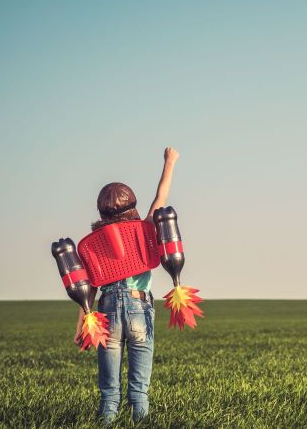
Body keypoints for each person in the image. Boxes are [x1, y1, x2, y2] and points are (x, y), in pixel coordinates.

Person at [73, 147, 180, 425]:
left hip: (106, 310)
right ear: (131, 206)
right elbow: (161, 197)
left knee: (109, 391)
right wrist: (170, 162)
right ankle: (141, 422)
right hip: (139, 307)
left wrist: (83, 322)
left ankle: (106, 423)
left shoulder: (94, 243)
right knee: (139, 389)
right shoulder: (144, 230)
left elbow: (89, 286)